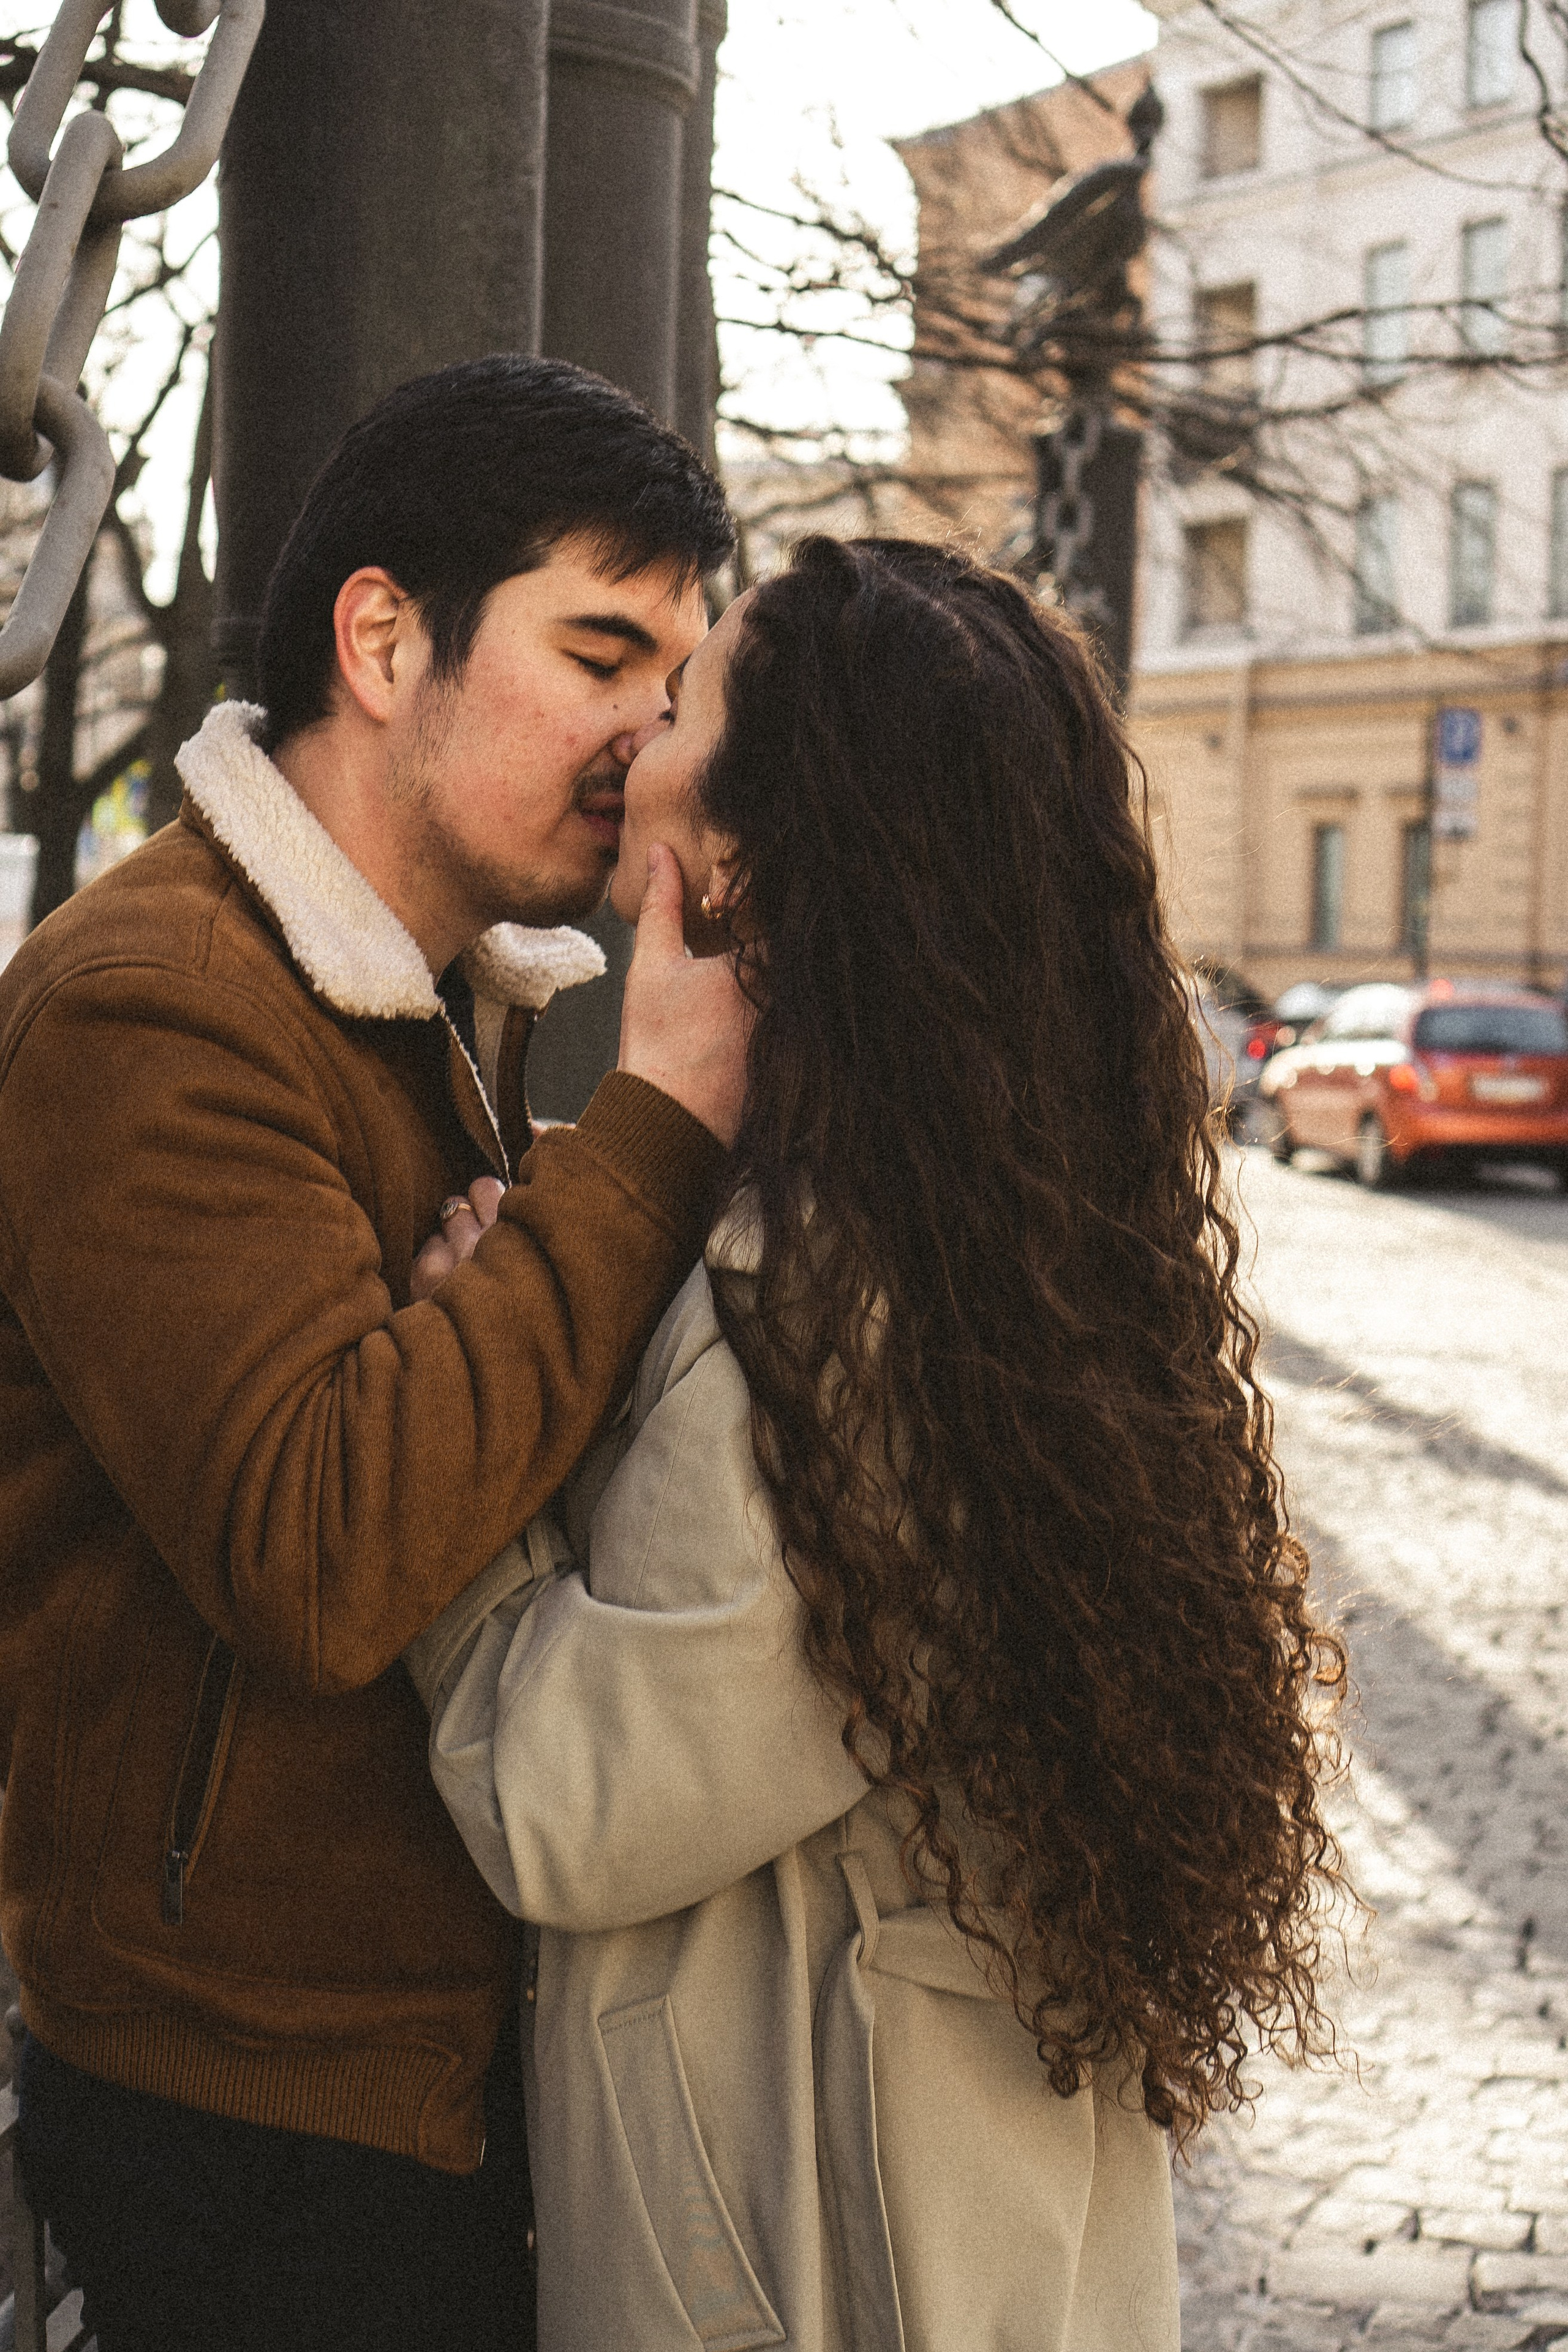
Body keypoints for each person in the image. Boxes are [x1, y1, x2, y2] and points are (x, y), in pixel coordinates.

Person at [411, 537, 1350, 2351]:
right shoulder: (974, 1229)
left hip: (819, 2252)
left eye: (680, 701)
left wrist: (476, 1405)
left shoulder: (827, 1302)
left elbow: (570, 1805)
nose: (631, 729)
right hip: (931, 2221)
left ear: (757, 857)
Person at [0, 354, 747, 2352]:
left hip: (404, 2068)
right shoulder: (154, 1005)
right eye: (601, 653)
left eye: (673, 685)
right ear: (386, 635)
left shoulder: (427, 1009)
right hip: (252, 2106)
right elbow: (323, 1554)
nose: (644, 742)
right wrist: (665, 1117)